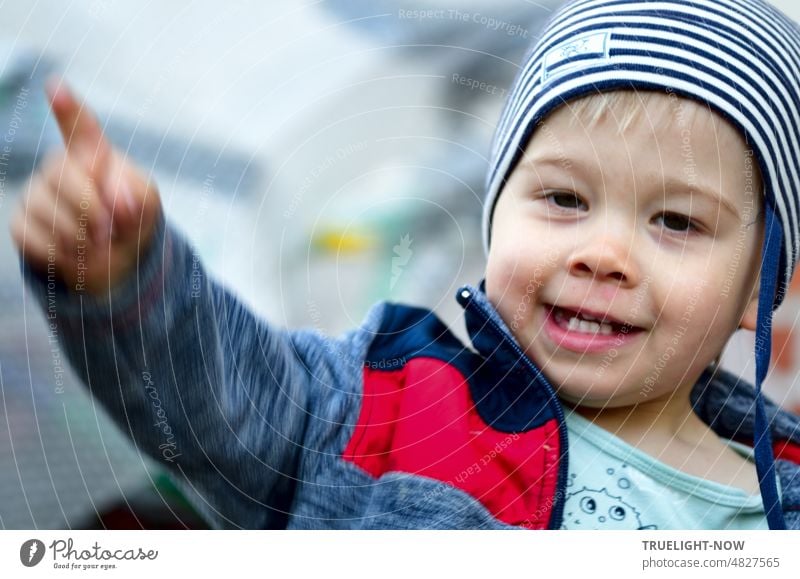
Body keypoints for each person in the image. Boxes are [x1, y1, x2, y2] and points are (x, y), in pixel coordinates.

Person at [11, 0, 800, 529]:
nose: (603, 253)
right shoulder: (388, 403)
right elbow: (224, 396)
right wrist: (129, 279)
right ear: (495, 216)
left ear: (762, 286)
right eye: (563, 198)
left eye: (675, 220)